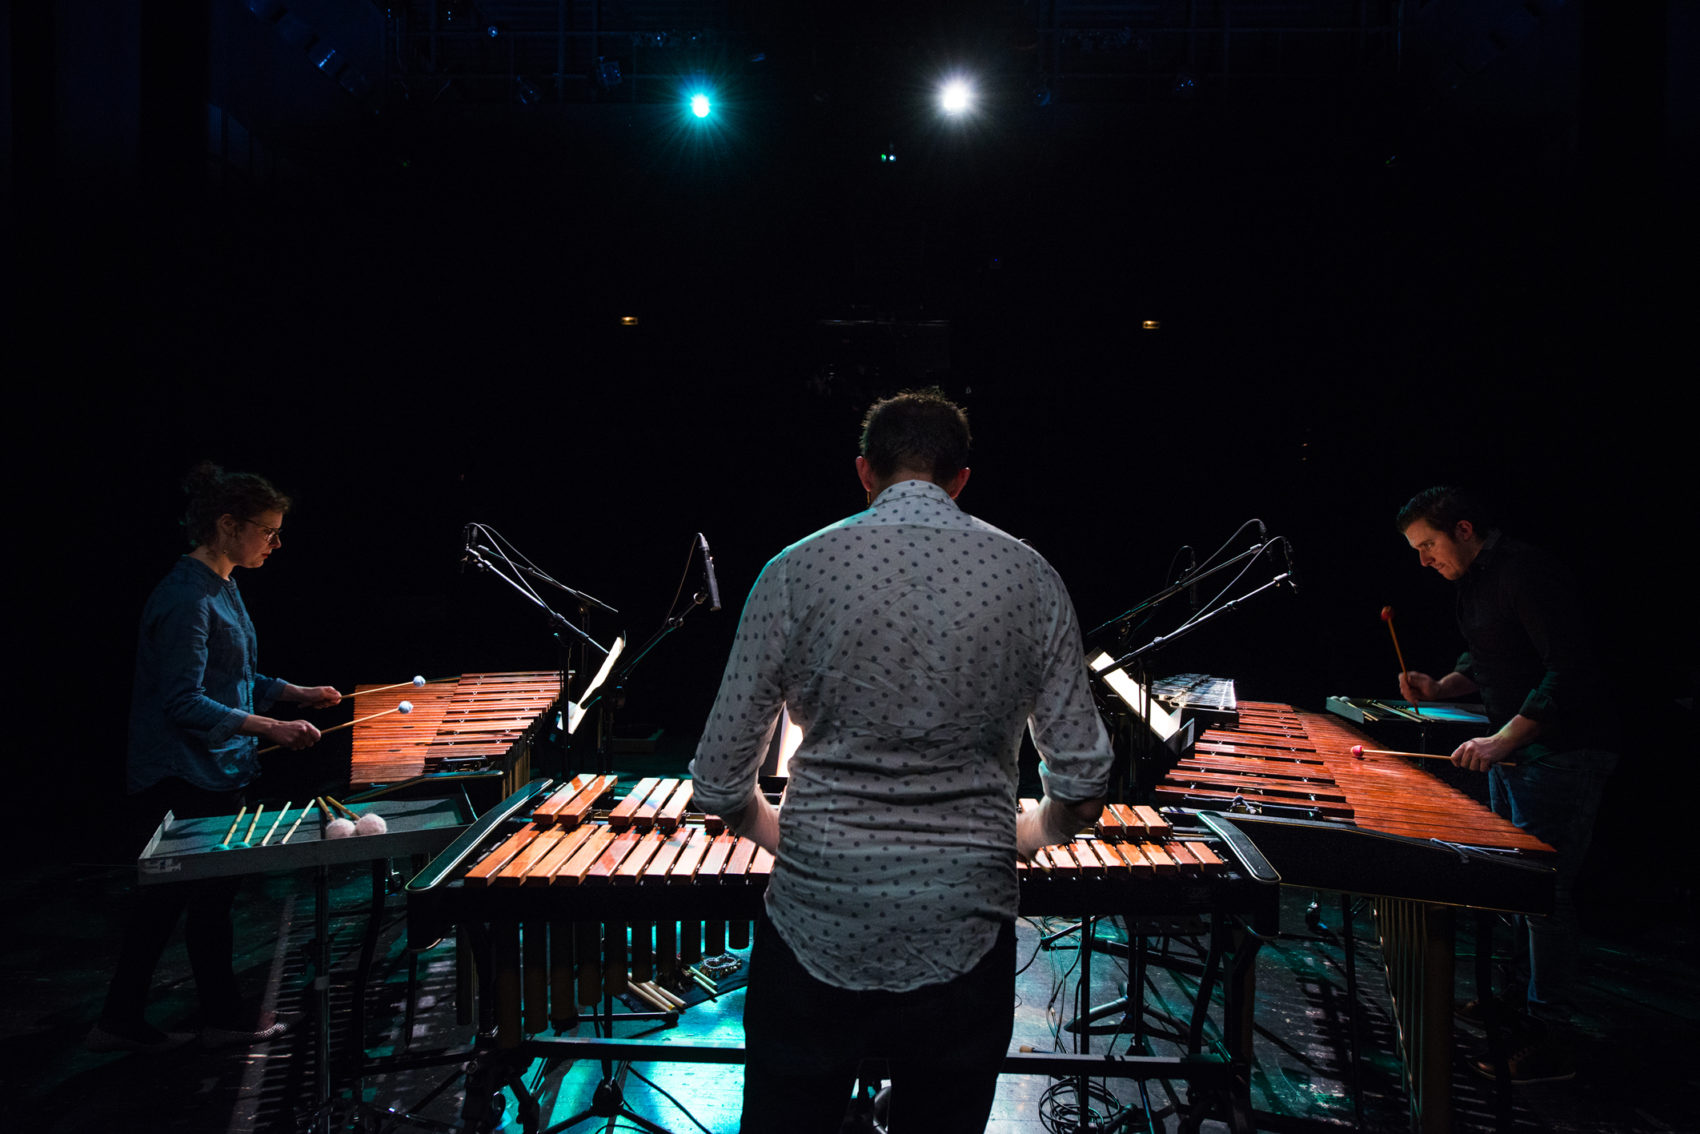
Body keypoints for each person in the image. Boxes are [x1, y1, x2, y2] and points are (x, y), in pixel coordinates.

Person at [690, 388, 1114, 1133]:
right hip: (966, 929)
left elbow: (721, 782)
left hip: (816, 926)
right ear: (961, 479)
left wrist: (782, 835)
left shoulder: (794, 571)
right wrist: (1023, 836)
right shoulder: (1030, 578)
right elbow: (1081, 790)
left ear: (864, 471)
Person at [87, 462, 342, 1053]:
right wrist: (272, 726)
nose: (276, 543)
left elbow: (231, 675)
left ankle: (132, 1018)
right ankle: (204, 1016)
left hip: (216, 764)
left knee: (191, 901)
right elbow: (184, 701)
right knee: (191, 902)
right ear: (227, 524)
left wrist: (291, 692)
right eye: (268, 531)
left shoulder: (224, 585)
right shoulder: (185, 599)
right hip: (182, 772)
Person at [1394, 485, 1616, 1083]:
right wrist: (1440, 689)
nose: (1424, 561)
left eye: (1429, 545)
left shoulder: (1526, 572)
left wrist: (1502, 741)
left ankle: (1552, 1033)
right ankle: (1517, 1006)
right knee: (1514, 889)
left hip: (1559, 753)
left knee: (1544, 896)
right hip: (1519, 755)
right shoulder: (1476, 582)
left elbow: (1568, 670)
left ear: (1464, 529)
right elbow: (1488, 658)